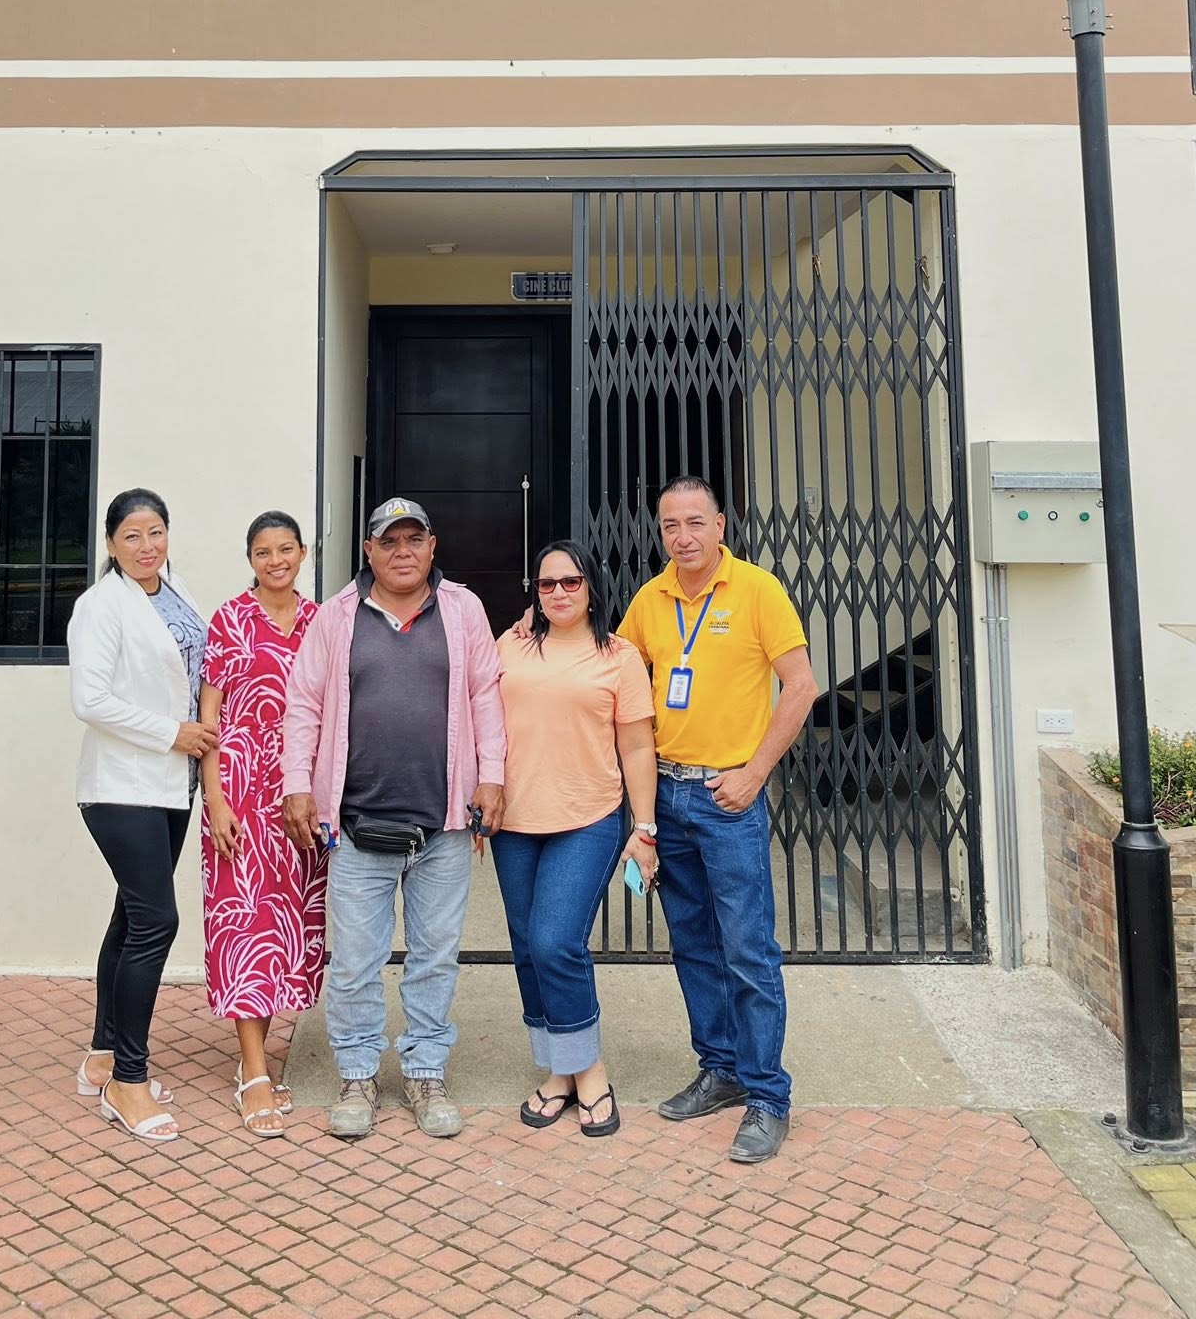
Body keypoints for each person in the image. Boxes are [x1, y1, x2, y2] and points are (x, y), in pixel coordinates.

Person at [280, 497, 506, 1141]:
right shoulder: (336, 616)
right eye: (389, 541)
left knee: (434, 959)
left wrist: (492, 775)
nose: (402, 551)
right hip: (356, 825)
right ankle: (357, 1074)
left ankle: (425, 1071)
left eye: (414, 539)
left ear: (432, 547)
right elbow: (304, 705)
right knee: (354, 962)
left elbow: (485, 696)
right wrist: (298, 785)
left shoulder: (463, 609)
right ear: (368, 551)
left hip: (444, 826)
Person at [618, 476, 817, 1165]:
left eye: (695, 522)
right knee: (694, 944)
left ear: (721, 525)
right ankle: (721, 1067)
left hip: (729, 798)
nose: (683, 537)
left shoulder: (758, 591)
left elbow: (802, 686)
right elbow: (611, 672)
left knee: (748, 949)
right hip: (668, 796)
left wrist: (755, 772)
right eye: (670, 525)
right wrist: (537, 629)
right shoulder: (651, 599)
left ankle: (767, 1095)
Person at [493, 540, 658, 1139]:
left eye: (571, 581)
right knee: (526, 947)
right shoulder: (510, 645)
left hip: (588, 818)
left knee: (556, 941)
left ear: (591, 587)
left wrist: (644, 829)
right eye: (547, 584)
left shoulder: (619, 656)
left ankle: (589, 1068)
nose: (559, 592)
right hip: (514, 823)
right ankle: (559, 1069)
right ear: (534, 592)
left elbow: (636, 746)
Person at [68, 488, 217, 1145]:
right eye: (132, 535)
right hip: (122, 785)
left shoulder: (175, 591)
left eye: (155, 531)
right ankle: (128, 1083)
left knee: (131, 917)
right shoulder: (101, 606)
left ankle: (102, 1057)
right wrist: (171, 733)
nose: (146, 545)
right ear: (111, 544)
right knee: (157, 920)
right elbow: (90, 699)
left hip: (170, 785)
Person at [198, 510, 327, 1137]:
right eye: (262, 551)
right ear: (249, 559)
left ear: (303, 552)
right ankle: (253, 1071)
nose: (275, 561)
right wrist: (215, 800)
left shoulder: (320, 621)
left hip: (300, 799)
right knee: (246, 927)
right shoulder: (229, 620)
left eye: (285, 549)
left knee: (284, 930)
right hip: (242, 797)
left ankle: (257, 1058)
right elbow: (209, 720)